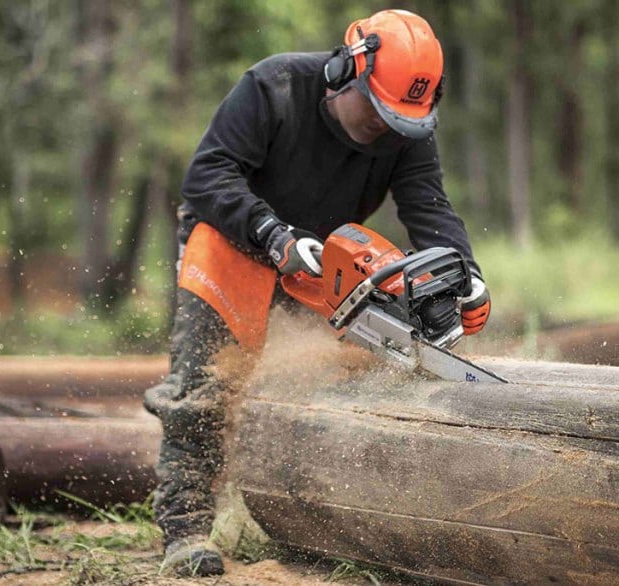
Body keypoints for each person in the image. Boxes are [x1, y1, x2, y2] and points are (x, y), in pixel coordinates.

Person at [143, 9, 491, 576]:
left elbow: (427, 203)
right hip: (233, 238)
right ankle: (184, 527)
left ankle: (314, 509)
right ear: (346, 71)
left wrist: (463, 270)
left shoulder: (407, 130)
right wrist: (273, 235)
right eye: (381, 114)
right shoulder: (273, 87)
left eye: (401, 122)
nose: (386, 129)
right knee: (204, 386)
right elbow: (206, 176)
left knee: (339, 375)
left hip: (322, 258)